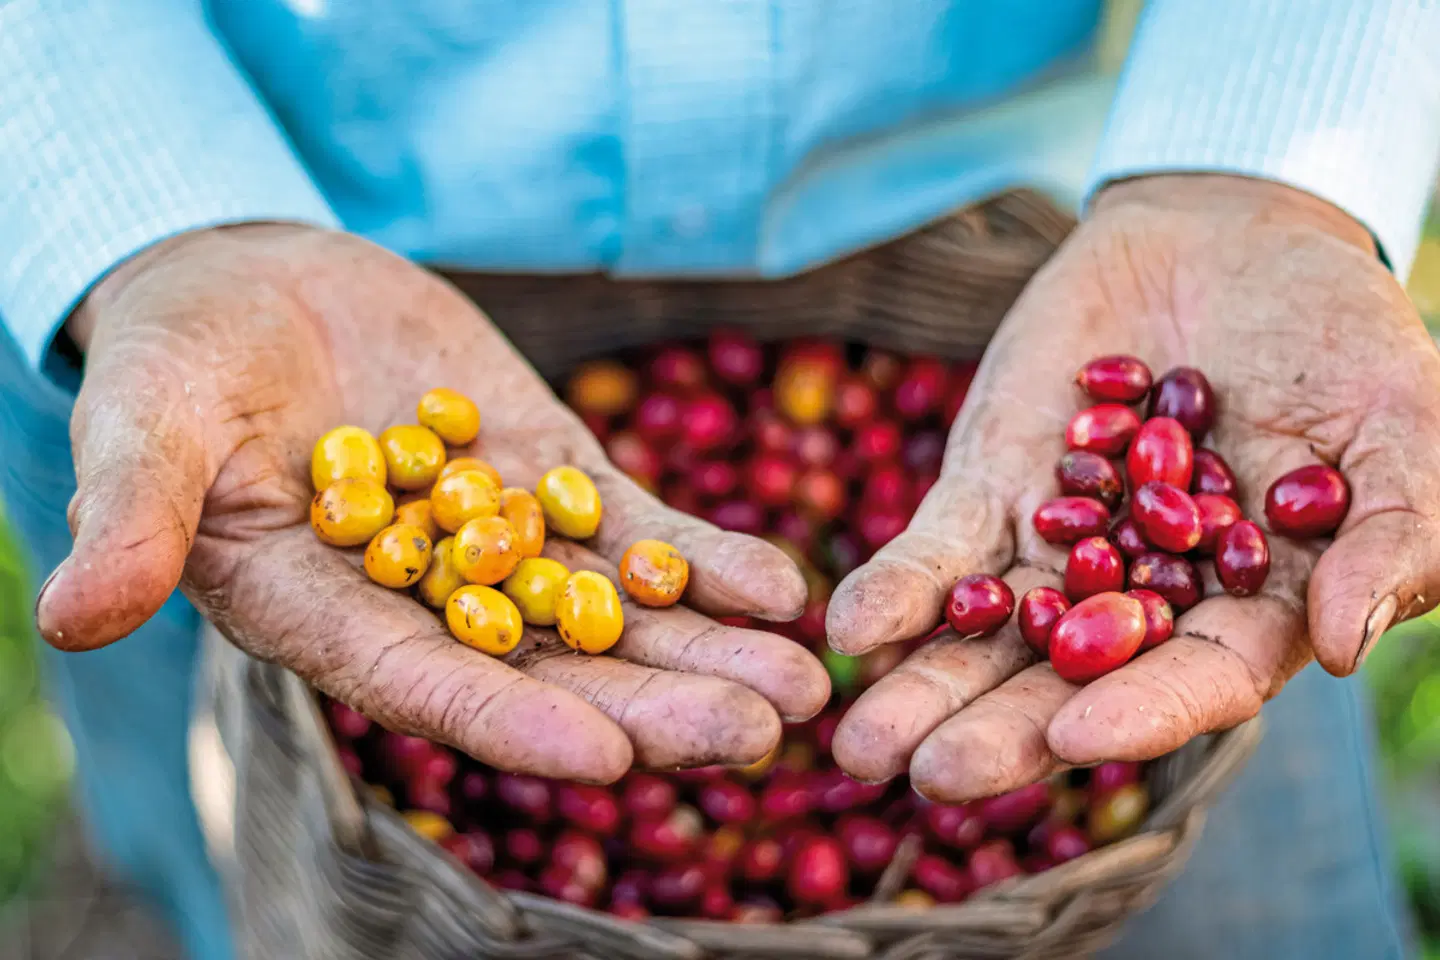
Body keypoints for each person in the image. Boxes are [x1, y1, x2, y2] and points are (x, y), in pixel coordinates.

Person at [2, 0, 1436, 956]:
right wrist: (144, 212)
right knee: (222, 833)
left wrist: (1264, 160)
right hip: (230, 266)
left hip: (1043, 236)